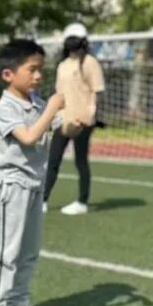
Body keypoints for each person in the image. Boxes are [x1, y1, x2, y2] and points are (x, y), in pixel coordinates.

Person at [0, 39, 83, 306]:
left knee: (28, 251)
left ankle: (17, 302)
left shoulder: (37, 104)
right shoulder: (5, 108)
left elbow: (62, 128)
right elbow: (28, 137)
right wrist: (51, 108)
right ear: (8, 74)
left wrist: (76, 122)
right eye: (32, 70)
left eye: (41, 70)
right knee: (5, 251)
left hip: (34, 186)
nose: (38, 76)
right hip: (11, 187)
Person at [44, 23, 105, 216]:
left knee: (80, 160)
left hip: (83, 121)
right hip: (63, 120)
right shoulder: (62, 65)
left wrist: (89, 116)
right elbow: (59, 93)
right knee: (53, 160)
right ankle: (42, 200)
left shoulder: (90, 63)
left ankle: (82, 202)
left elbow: (97, 91)